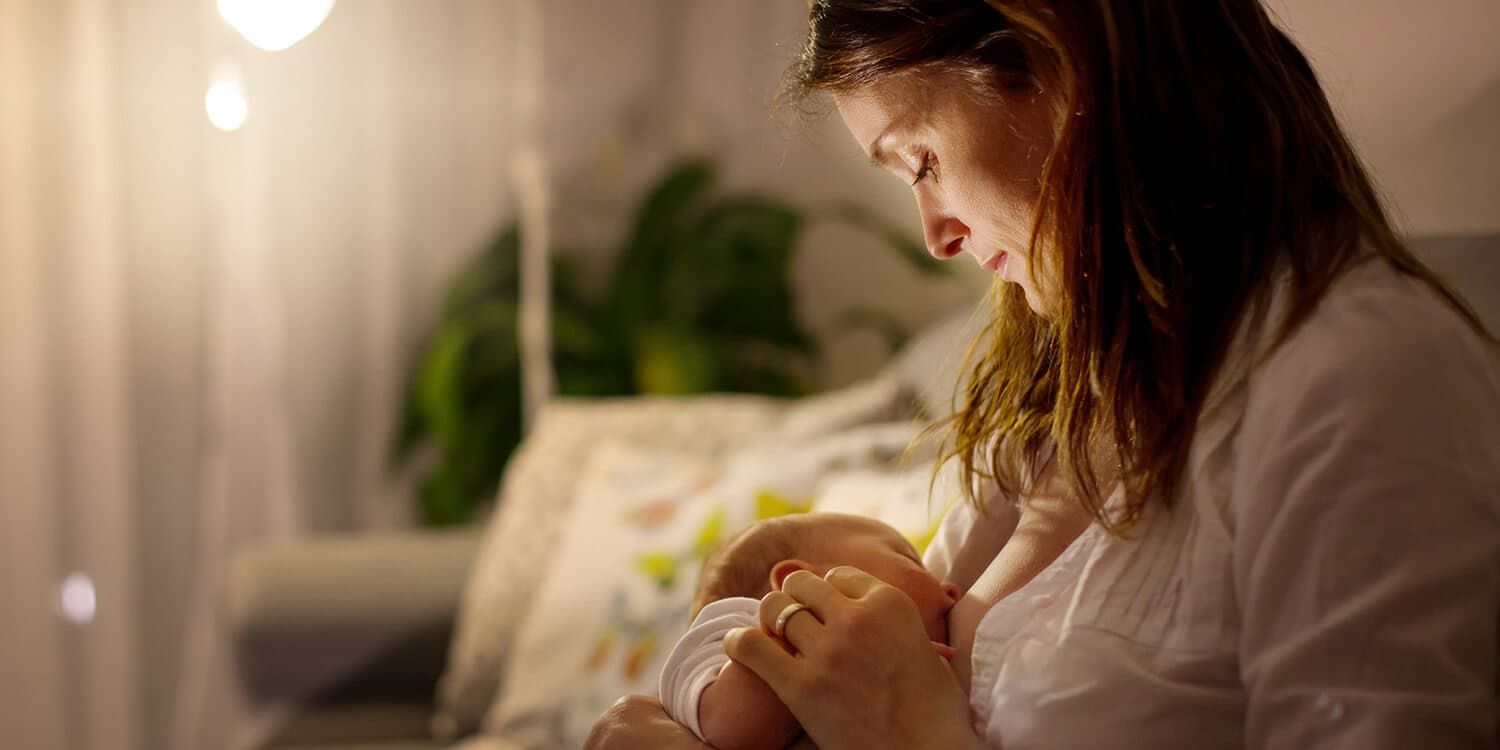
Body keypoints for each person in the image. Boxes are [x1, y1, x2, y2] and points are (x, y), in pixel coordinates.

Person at [586, 2, 1500, 748]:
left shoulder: (1362, 379)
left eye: (923, 160)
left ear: (1058, 60)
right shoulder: (1058, 397)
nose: (934, 234)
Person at [659, 501, 1089, 750]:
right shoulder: (728, 630)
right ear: (799, 583)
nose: (951, 589)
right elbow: (729, 726)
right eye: (906, 558)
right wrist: (795, 644)